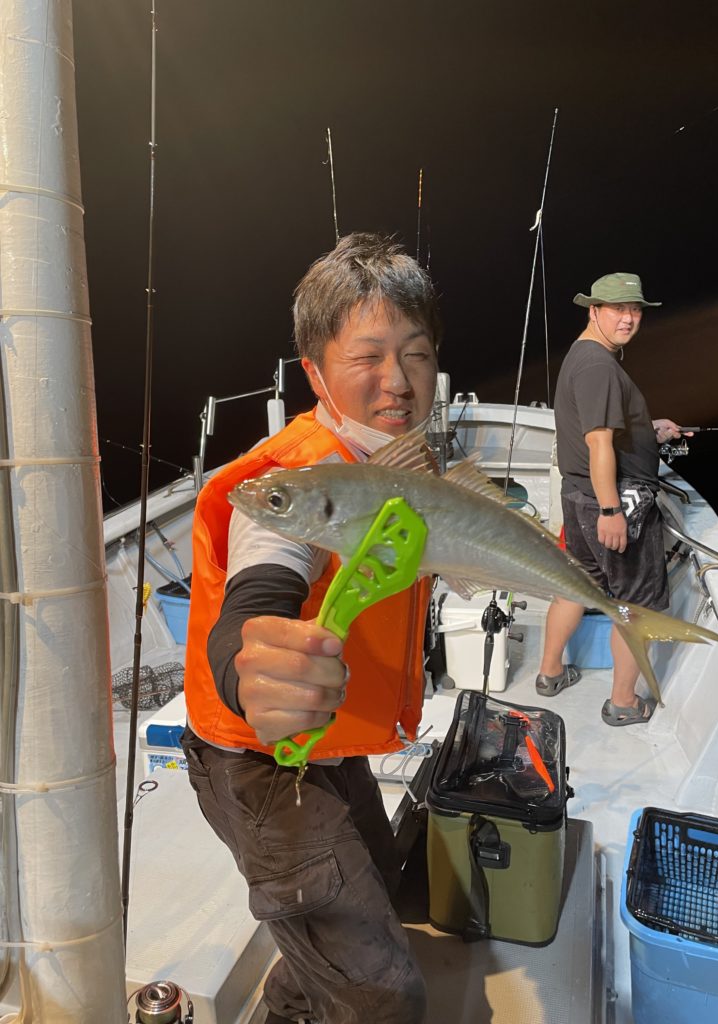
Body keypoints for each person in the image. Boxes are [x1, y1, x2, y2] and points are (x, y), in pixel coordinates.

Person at [181, 233, 440, 1024]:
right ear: (316, 371)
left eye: (417, 353)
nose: (399, 381)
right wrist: (251, 664)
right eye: (368, 357)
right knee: (384, 996)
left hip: (327, 738)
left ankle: (292, 1007)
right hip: (258, 759)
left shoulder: (392, 462)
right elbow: (259, 592)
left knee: (382, 880)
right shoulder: (290, 483)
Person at [535, 272, 690, 726]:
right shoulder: (599, 366)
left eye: (635, 310)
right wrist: (611, 511)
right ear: (594, 311)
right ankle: (623, 703)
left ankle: (549, 674)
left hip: (577, 495)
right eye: (618, 309)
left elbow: (605, 430)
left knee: (576, 586)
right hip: (609, 501)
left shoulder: (584, 354)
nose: (628, 319)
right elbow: (599, 443)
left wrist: (648, 430)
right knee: (634, 606)